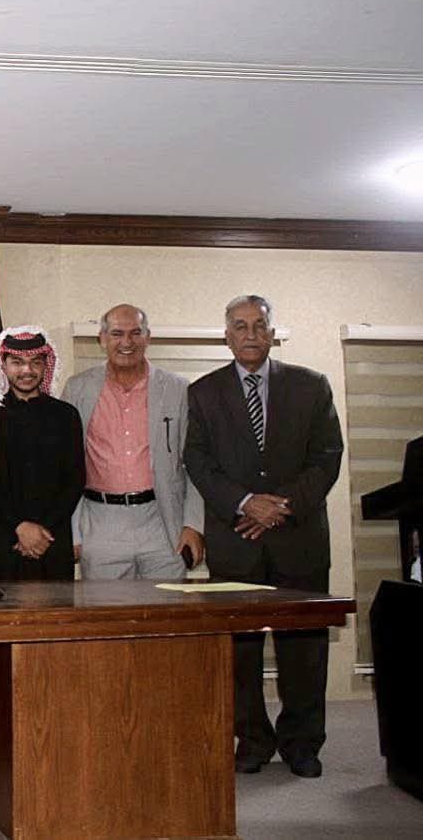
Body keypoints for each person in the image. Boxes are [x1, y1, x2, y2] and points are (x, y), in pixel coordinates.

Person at [185, 295, 343, 779]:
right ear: (226, 336)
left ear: (272, 334)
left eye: (259, 325)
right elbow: (198, 462)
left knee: (304, 650)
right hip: (236, 541)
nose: (250, 334)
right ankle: (252, 740)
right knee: (239, 653)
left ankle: (302, 744)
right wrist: (245, 503)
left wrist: (278, 508)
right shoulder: (203, 392)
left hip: (299, 539)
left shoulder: (311, 386)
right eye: (240, 326)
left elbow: (327, 457)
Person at [61, 303, 205, 579]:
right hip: (101, 525)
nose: (127, 342)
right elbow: (66, 465)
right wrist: (73, 531)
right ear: (102, 339)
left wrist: (193, 524)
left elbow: (195, 463)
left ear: (148, 337)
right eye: (117, 333)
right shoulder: (78, 388)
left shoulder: (178, 389)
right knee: (106, 607)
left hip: (164, 523)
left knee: (167, 605)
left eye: (135, 333)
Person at [0, 326, 85, 581]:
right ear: (3, 365)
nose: (27, 370)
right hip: (1, 541)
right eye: (17, 362)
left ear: (46, 365)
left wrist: (41, 531)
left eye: (35, 362)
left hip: (51, 540)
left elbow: (75, 479)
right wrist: (19, 527)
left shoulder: (66, 415)